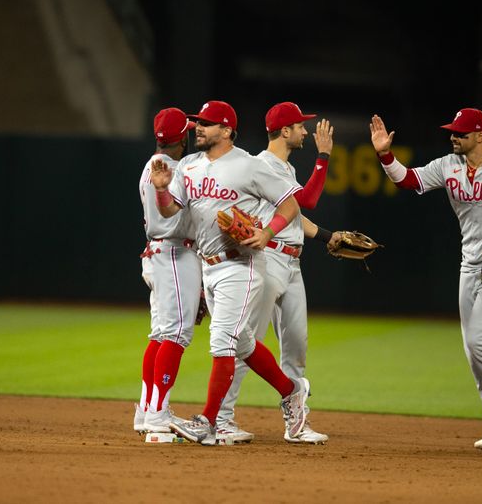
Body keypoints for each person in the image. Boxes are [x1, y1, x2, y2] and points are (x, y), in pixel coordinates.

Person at [369, 109, 482, 449]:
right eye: (452, 132)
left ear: (480, 135)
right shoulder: (448, 165)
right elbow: (410, 180)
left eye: (461, 133)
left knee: (481, 340)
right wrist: (385, 154)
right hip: (469, 266)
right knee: (473, 350)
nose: (453, 137)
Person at [150, 100, 311, 446]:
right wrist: (163, 189)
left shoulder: (248, 166)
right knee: (242, 343)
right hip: (208, 265)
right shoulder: (189, 165)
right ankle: (291, 392)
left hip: (243, 263)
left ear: (226, 130)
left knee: (222, 339)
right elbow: (168, 213)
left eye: (206, 123)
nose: (198, 128)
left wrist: (267, 234)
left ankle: (207, 422)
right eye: (198, 122)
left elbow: (291, 204)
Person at [217, 102, 341, 444]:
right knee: (246, 343)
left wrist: (328, 236)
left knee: (296, 346)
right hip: (267, 261)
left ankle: (296, 422)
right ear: (284, 131)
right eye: (300, 126)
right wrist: (324, 156)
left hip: (292, 263)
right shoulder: (262, 166)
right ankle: (223, 419)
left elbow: (295, 214)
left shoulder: (283, 169)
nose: (305, 131)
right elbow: (310, 200)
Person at [134, 107, 201, 434]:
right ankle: (158, 415)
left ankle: (147, 409)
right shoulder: (178, 169)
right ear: (182, 138)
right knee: (175, 334)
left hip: (157, 253)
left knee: (161, 333)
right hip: (174, 253)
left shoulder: (151, 164)